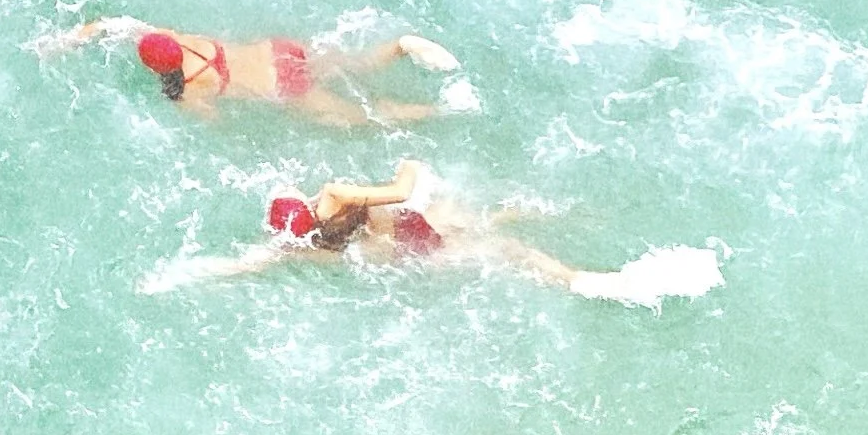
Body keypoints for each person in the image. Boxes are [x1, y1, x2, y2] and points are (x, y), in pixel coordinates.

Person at [199, 163, 721, 300]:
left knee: (494, 235)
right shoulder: (337, 195)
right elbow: (403, 189)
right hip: (415, 228)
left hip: (406, 258)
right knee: (508, 242)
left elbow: (253, 261)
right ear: (309, 206)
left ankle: (566, 243)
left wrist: (190, 273)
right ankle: (582, 277)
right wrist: (411, 162)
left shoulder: (310, 248)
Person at [37, 13, 461, 124]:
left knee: (354, 120)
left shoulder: (187, 88)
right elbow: (113, 24)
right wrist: (71, 38)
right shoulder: (176, 35)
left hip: (282, 87)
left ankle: (440, 111)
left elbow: (214, 121)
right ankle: (401, 47)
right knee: (353, 65)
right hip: (278, 52)